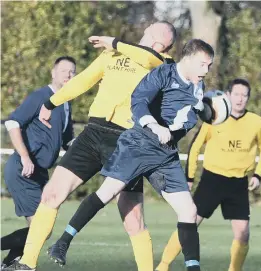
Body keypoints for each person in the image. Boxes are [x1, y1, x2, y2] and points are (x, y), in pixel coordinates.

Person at [5, 22, 176, 271]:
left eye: (161, 38)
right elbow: (84, 79)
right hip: (94, 133)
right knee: (52, 193)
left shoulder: (164, 63)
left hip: (129, 140)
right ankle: (27, 264)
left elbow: (150, 58)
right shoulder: (112, 54)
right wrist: (51, 103)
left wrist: (116, 42)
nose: (152, 35)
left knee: (133, 217)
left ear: (166, 44)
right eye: (152, 31)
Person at [155, 78, 261, 271]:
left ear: (248, 98)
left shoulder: (256, 122)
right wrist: (189, 178)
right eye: (236, 94)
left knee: (242, 233)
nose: (240, 99)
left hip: (238, 184)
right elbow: (195, 148)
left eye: (244, 95)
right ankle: (163, 265)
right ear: (228, 95)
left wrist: (258, 175)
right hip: (212, 181)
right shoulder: (214, 119)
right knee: (189, 222)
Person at [1, 56, 76, 268]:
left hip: (40, 173)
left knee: (42, 229)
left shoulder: (66, 101)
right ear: (53, 73)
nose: (69, 75)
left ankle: (9, 263)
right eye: (64, 71)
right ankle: (10, 262)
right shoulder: (41, 96)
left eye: (73, 72)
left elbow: (68, 141)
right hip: (23, 170)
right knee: (40, 228)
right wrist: (25, 157)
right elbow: (13, 122)